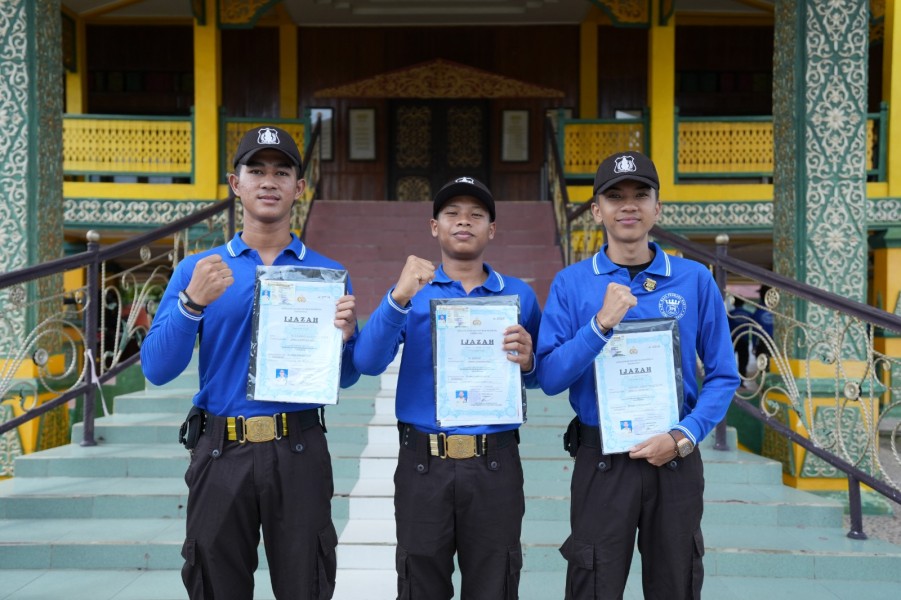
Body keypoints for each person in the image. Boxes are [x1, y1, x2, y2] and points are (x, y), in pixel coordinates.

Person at [141, 125, 360, 600]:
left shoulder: (325, 275)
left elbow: (343, 377)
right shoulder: (199, 270)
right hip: (221, 451)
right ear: (234, 183)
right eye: (255, 170)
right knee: (216, 585)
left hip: (298, 449)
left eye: (282, 172)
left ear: (299, 188)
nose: (268, 181)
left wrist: (347, 338)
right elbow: (156, 369)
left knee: (307, 584)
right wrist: (190, 305)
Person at [536, 151, 739, 600]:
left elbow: (724, 375)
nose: (628, 205)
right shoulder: (572, 283)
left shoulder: (694, 280)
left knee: (676, 581)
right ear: (597, 210)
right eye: (615, 196)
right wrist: (599, 325)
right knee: (593, 584)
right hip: (602, 461)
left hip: (675, 458)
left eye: (640, 195)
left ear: (657, 207)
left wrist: (684, 435)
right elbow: (548, 376)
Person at [353, 176, 541, 600]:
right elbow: (366, 361)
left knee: (495, 584)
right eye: (452, 213)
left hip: (495, 465)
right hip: (424, 463)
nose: (464, 222)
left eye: (476, 215)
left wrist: (528, 358)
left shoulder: (519, 296)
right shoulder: (412, 291)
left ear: (491, 230)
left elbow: (537, 376)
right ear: (434, 227)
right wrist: (398, 298)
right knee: (421, 585)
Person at [728, 297, 755, 377]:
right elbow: (754, 328)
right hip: (744, 340)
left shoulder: (730, 314)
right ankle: (742, 380)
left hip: (733, 340)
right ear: (743, 303)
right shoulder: (748, 314)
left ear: (734, 303)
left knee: (729, 361)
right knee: (743, 361)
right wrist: (754, 343)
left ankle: (729, 379)